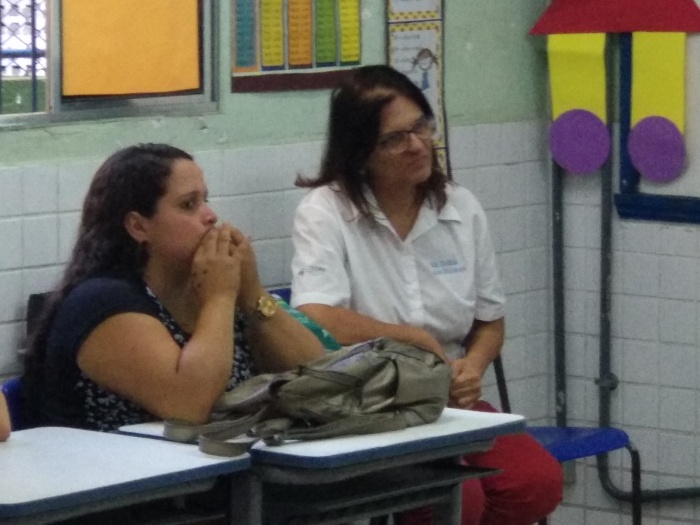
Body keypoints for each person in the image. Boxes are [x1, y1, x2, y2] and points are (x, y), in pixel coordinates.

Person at [291, 65, 563, 525]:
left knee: (535, 481)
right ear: (360, 151)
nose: (418, 145)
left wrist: (472, 367)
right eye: (395, 139)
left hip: (448, 397)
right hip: (369, 403)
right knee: (455, 501)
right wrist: (411, 339)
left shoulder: (460, 206)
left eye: (421, 126)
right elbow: (316, 314)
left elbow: (490, 320)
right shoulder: (325, 211)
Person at [23, 143, 325, 433]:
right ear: (139, 226)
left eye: (205, 200)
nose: (210, 216)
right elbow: (189, 407)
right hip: (119, 466)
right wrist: (220, 298)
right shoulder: (102, 301)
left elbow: (320, 378)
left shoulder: (207, 285)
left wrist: (253, 295)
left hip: (228, 462)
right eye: (189, 204)